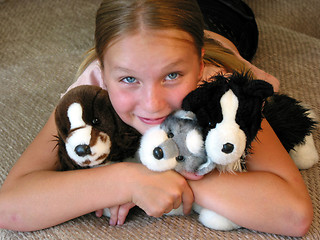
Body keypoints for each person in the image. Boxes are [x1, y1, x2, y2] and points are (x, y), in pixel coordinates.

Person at [0, 0, 312, 236]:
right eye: (128, 79)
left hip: (225, 16)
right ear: (103, 72)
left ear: (201, 65)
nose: (153, 104)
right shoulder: (89, 94)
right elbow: (11, 205)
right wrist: (130, 179)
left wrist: (170, 177)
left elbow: (294, 214)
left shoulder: (219, 91)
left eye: (173, 74)